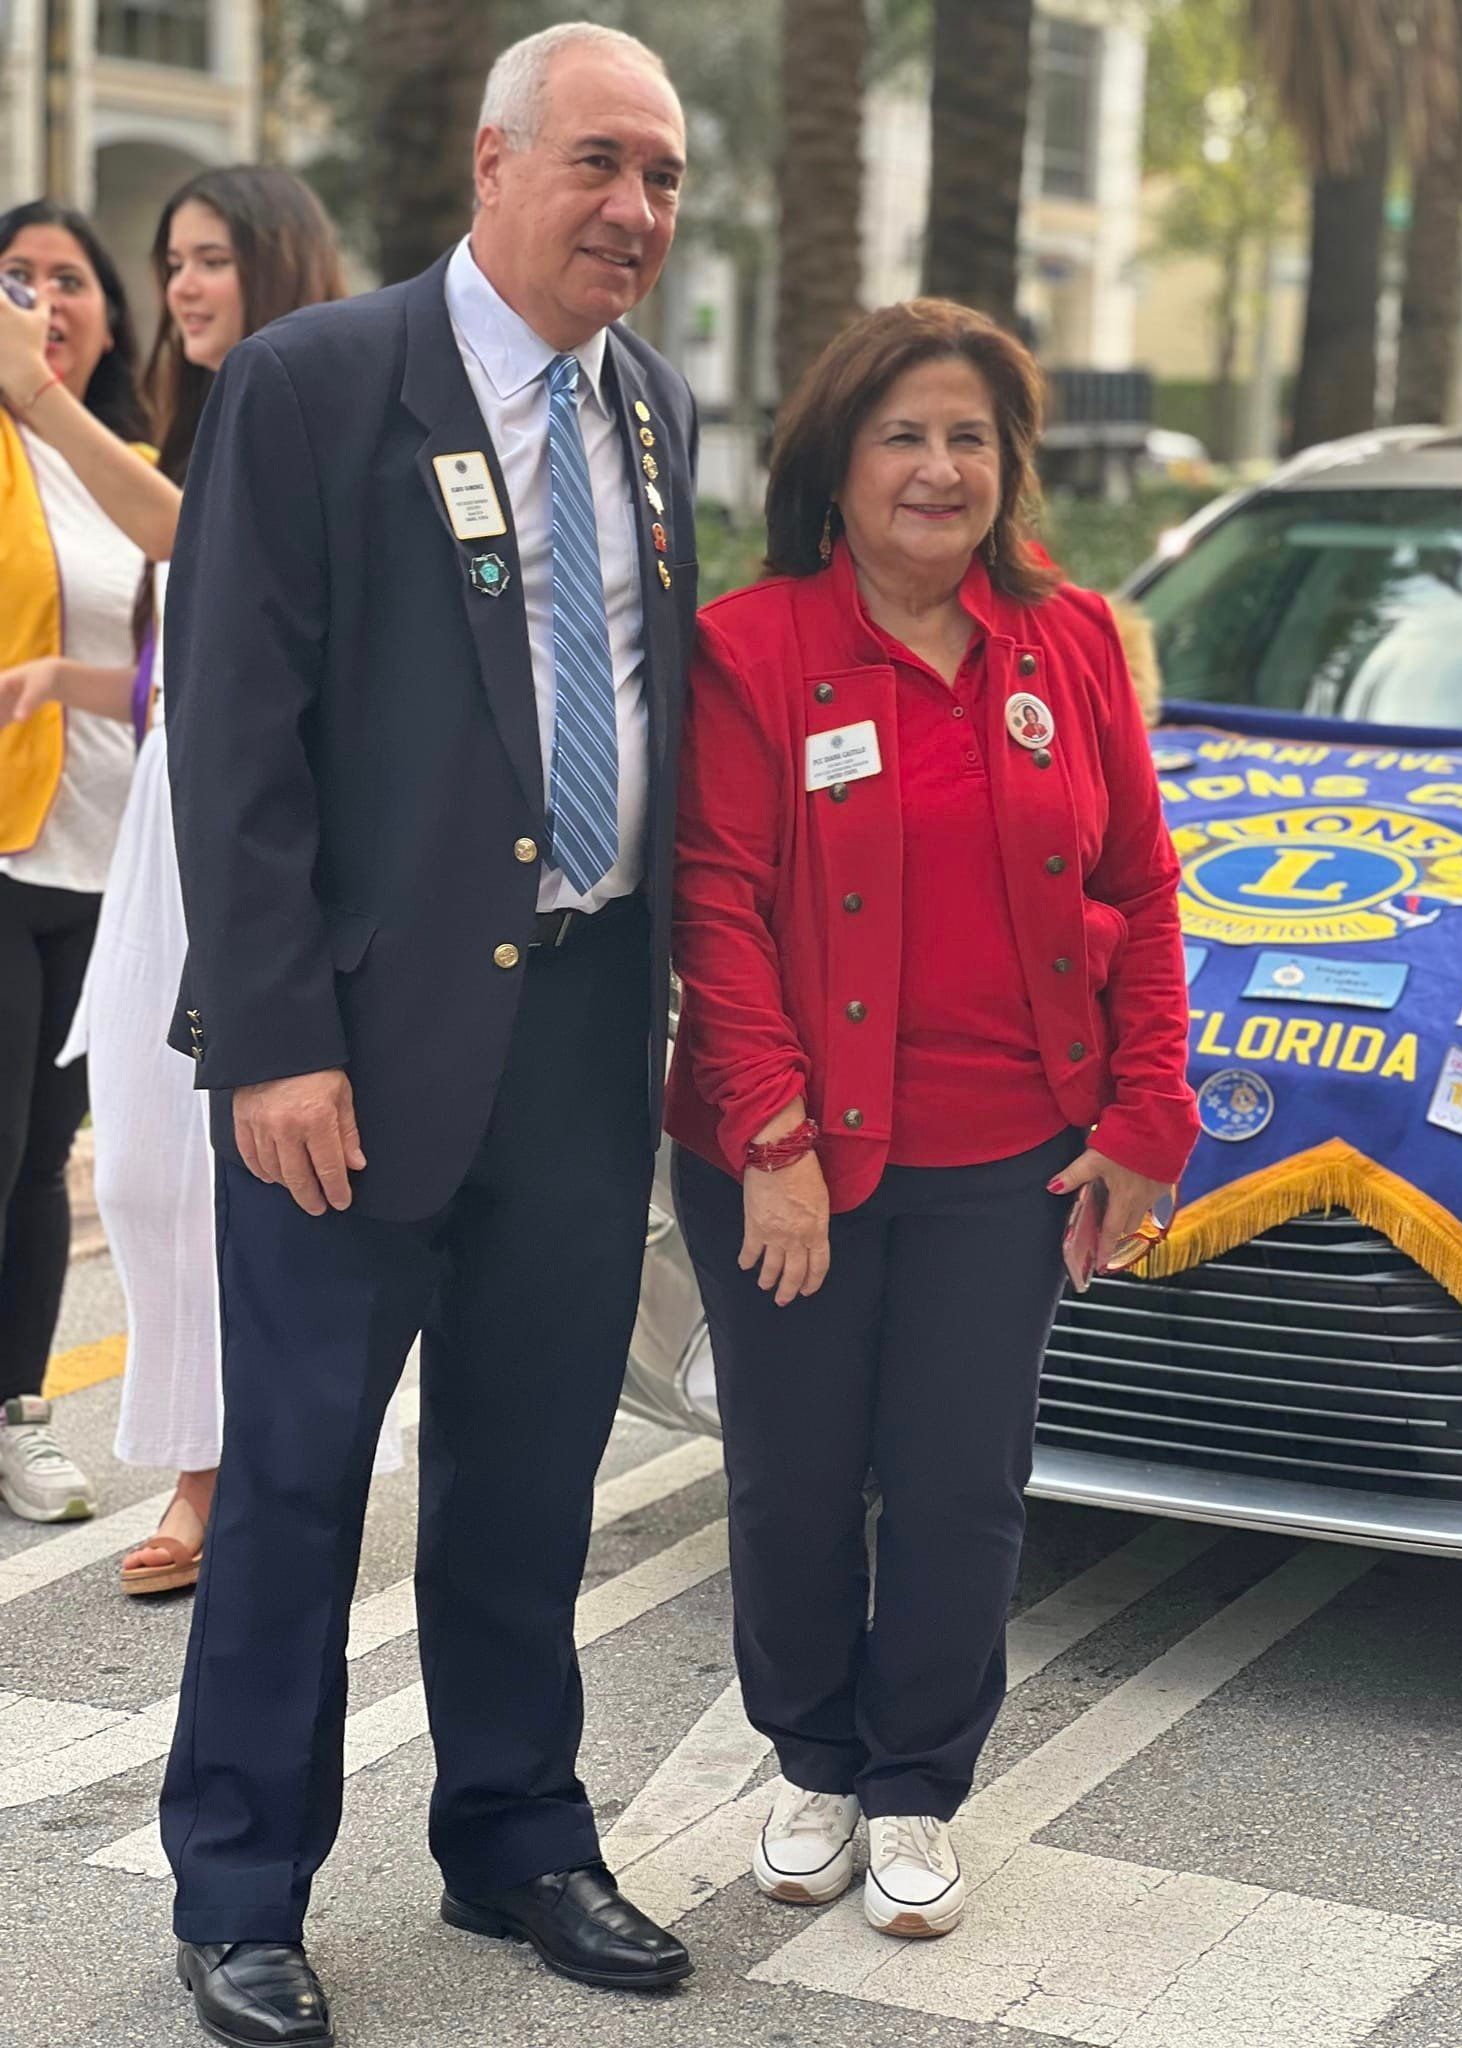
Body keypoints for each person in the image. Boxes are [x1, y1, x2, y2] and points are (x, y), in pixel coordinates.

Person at [158, 25, 698, 2044]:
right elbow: (239, 739)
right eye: (599, 164)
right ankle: (239, 1886)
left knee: (531, 1469)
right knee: (297, 1473)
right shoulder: (318, 386)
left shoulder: (652, 413)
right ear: (491, 163)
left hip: (574, 1037)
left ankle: (514, 1833)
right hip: (351, 1057)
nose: (634, 210)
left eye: (661, 177)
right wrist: (278, 1038)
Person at [666, 299, 1200, 1940]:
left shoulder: (1077, 642)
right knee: (795, 1479)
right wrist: (772, 1142)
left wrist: (1145, 1118)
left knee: (965, 1484)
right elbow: (719, 906)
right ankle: (814, 1761)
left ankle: (915, 1789)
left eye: (970, 436)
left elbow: (1140, 887)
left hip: (1007, 1154)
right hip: (790, 1158)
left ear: (1008, 466)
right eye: (904, 432)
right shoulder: (753, 645)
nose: (939, 465)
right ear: (835, 463)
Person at [3, 167, 405, 1598]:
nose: (182, 288)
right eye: (171, 260)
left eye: (212, 259)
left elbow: (192, 540)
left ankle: (232, 1478)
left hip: (256, 832)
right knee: (154, 1173)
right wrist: (67, 676)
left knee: (235, 1163)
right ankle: (201, 1460)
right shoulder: (207, 410)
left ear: (281, 264)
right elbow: (186, 675)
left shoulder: (311, 410)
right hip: (162, 830)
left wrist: (38, 398)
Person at [0, 202, 176, 1525]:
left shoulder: (135, 459)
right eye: (17, 278)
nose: (45, 300)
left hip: (114, 864)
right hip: (6, 848)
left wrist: (71, 677)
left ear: (110, 312)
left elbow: (180, 659)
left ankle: (18, 1412)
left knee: (50, 1162)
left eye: (70, 278)